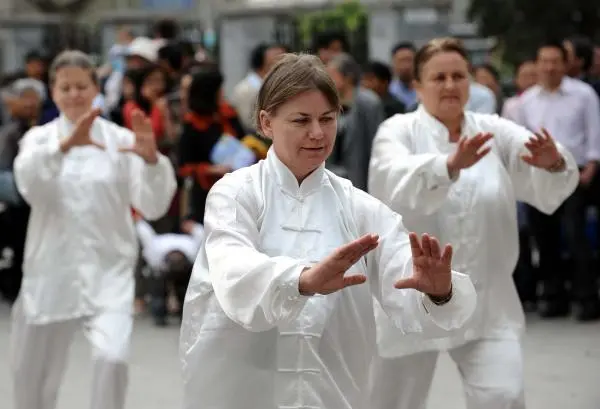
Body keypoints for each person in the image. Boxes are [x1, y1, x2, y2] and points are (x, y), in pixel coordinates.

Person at [179, 53, 478, 409]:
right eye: (301, 120)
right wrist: (302, 279)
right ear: (267, 122)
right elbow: (233, 270)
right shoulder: (236, 193)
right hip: (242, 388)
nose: (317, 133)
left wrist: (438, 292)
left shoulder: (361, 208)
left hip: (331, 392)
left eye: (327, 118)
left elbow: (405, 285)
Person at [368, 37, 578, 409]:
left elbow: (543, 160)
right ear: (417, 86)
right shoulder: (397, 131)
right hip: (411, 297)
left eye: (458, 76)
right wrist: (447, 166)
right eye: (439, 77)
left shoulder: (493, 130)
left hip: (486, 299)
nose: (450, 85)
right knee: (391, 402)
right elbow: (389, 178)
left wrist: (553, 162)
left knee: (503, 394)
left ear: (471, 82)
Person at [10, 50, 177, 409]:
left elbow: (152, 204)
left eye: (81, 86)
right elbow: (30, 186)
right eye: (65, 87)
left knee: (111, 359)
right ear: (52, 92)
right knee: (33, 375)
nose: (74, 95)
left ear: (95, 88)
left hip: (108, 270)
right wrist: (65, 147)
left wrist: (150, 160)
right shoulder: (38, 140)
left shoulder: (119, 139)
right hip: (51, 270)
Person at [135, 217, 204, 325]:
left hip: (183, 271)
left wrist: (138, 221)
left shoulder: (192, 251)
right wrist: (193, 227)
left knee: (184, 291)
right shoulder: (156, 250)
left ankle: (183, 313)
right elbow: (201, 234)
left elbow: (144, 232)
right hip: (162, 270)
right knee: (158, 291)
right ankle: (159, 314)